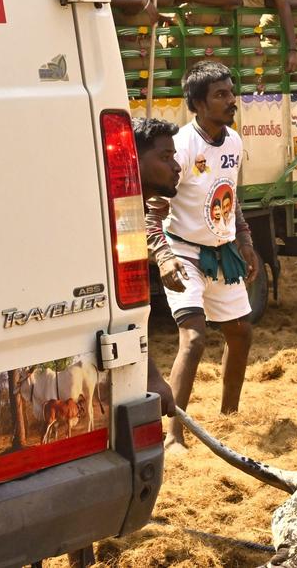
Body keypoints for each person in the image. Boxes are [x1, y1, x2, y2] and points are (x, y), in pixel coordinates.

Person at [147, 61, 261, 452]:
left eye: (232, 91)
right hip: (183, 251)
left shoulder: (234, 142)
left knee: (241, 333)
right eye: (221, 95)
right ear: (197, 104)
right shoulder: (180, 147)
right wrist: (164, 257)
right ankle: (172, 435)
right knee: (194, 339)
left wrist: (244, 238)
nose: (232, 100)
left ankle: (229, 418)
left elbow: (231, 195)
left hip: (222, 251)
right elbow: (153, 211)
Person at [133, 118, 183, 417]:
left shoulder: (137, 209)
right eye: (165, 157)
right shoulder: (112, 213)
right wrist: (151, 376)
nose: (176, 167)